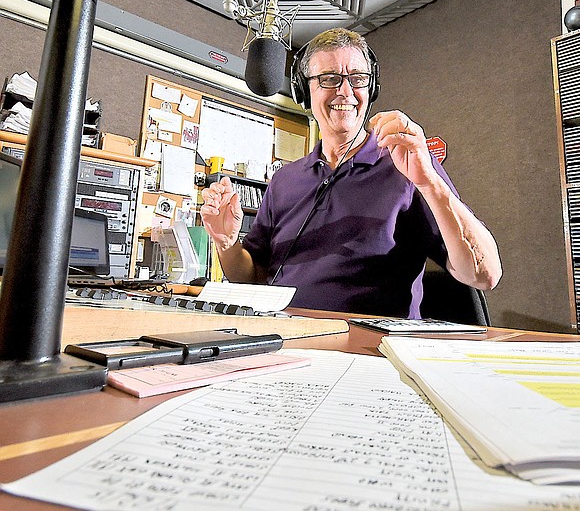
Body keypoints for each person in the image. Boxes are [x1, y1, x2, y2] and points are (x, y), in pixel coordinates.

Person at [200, 28, 502, 317]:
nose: (345, 91)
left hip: (368, 353)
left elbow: (484, 275)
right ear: (304, 91)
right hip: (285, 341)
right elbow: (253, 278)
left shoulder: (407, 168)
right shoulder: (284, 180)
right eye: (330, 79)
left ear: (372, 88)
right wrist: (226, 243)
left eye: (357, 78)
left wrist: (431, 183)